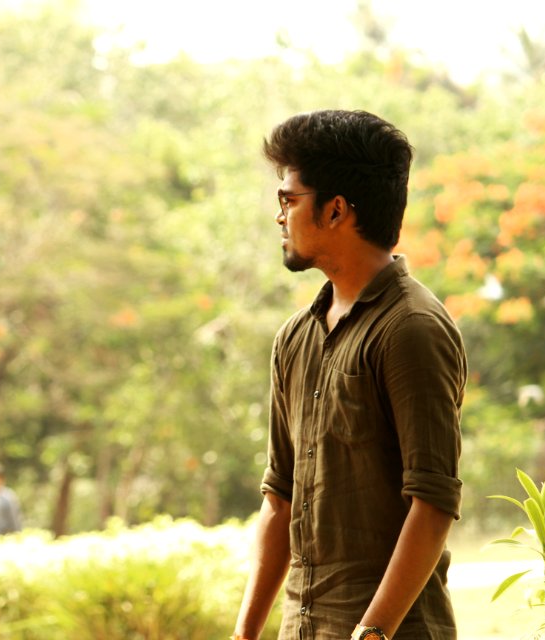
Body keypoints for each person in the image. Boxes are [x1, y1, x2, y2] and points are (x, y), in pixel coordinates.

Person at [232, 110, 465, 640]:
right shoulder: (295, 337)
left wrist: (372, 633)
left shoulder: (412, 329)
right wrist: (244, 633)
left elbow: (433, 504)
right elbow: (279, 498)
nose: (280, 217)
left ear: (336, 210)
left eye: (288, 200)